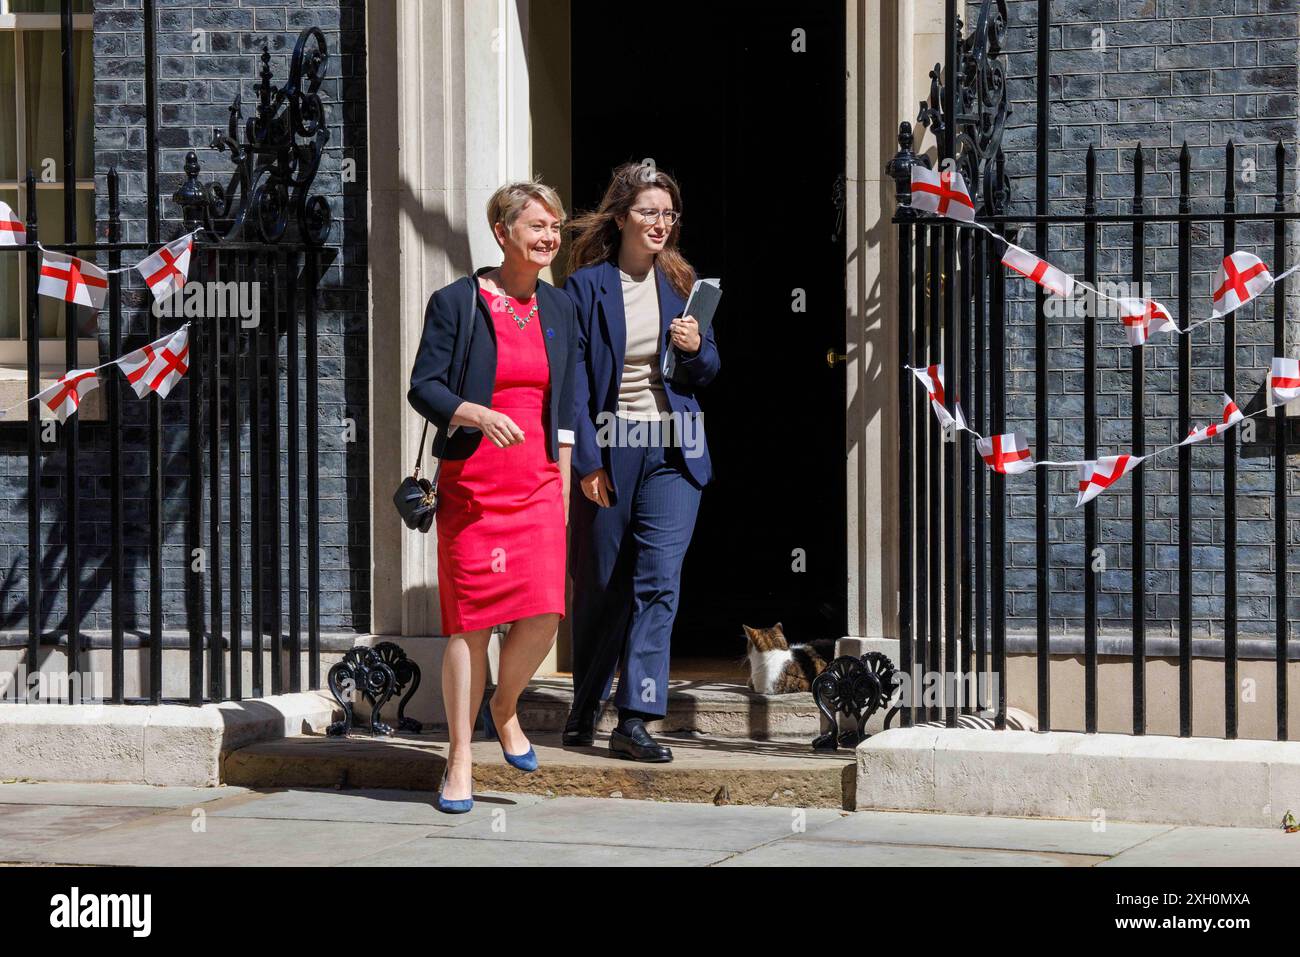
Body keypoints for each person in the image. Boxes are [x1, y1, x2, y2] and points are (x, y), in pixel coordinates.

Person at [407, 181, 577, 811]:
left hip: (537, 483)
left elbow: (568, 404)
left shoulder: (560, 307)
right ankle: (459, 757)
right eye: (537, 226)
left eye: (554, 226)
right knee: (471, 624)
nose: (549, 237)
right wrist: (474, 412)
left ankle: (504, 706)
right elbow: (424, 386)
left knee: (545, 611)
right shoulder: (458, 302)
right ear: (502, 233)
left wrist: (563, 484)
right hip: (474, 487)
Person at [562, 163, 720, 762]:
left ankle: (636, 717)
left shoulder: (682, 282)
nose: (661, 223)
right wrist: (587, 462)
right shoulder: (585, 287)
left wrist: (696, 348)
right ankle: (585, 704)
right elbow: (574, 381)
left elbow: (708, 371)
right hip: (612, 444)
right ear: (621, 217)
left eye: (669, 214)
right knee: (602, 583)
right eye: (649, 212)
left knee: (659, 584)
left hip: (675, 448)